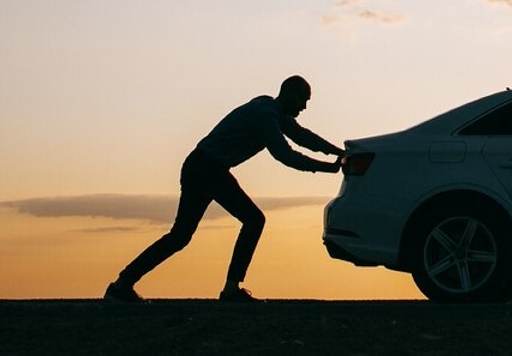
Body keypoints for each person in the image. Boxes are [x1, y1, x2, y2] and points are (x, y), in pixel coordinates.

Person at [104, 76, 344, 303]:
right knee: (251, 220)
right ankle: (230, 290)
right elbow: (285, 155)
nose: (304, 107)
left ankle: (122, 285)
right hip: (206, 168)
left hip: (206, 167)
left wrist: (341, 154)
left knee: (181, 236)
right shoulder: (265, 115)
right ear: (289, 94)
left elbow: (303, 137)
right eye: (303, 100)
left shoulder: (272, 111)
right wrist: (329, 168)